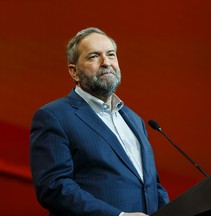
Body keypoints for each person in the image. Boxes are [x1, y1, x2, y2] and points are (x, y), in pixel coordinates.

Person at [30, 27, 169, 216]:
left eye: (111, 55)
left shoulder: (135, 121)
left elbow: (153, 185)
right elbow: (54, 187)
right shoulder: (54, 116)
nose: (106, 62)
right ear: (74, 72)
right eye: (94, 56)